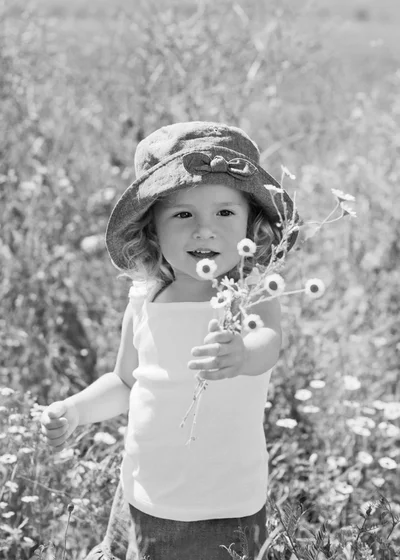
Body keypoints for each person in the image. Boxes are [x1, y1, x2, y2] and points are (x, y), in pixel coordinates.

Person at [41, 122, 298, 560]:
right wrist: (76, 410)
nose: (204, 230)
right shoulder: (146, 297)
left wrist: (240, 354)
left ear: (252, 227)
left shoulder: (254, 293)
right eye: (183, 215)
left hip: (221, 508)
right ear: (152, 230)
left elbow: (267, 346)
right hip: (141, 494)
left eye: (224, 213)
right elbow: (125, 383)